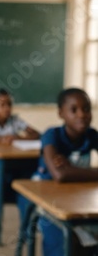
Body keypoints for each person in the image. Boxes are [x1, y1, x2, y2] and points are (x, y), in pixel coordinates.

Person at [31, 88, 98, 256]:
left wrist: (73, 170)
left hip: (80, 198)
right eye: (73, 110)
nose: (81, 115)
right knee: (63, 244)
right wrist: (71, 172)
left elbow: (67, 174)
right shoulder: (51, 135)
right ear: (61, 113)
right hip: (48, 202)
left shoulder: (92, 135)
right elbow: (60, 176)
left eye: (86, 109)